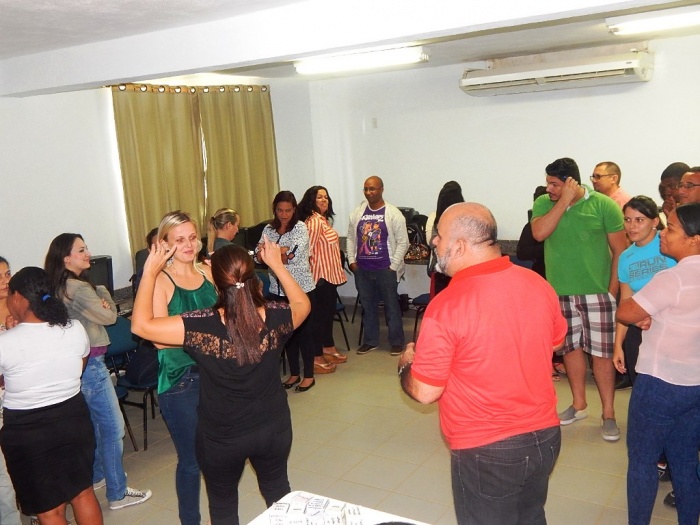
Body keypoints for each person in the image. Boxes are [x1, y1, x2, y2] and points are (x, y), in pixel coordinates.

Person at [399, 202, 567, 525]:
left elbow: (425, 391)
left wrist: (406, 363)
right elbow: (556, 342)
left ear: (460, 245)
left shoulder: (447, 305)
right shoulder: (536, 283)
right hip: (545, 437)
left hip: (487, 450)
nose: (434, 242)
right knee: (531, 517)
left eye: (439, 236)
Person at [131, 238, 310, 525]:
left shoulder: (199, 324)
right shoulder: (277, 315)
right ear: (253, 277)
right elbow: (303, 303)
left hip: (222, 438)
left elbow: (141, 325)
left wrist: (150, 272)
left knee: (223, 507)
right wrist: (276, 264)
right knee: (278, 492)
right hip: (273, 429)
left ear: (214, 280)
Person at [44, 234, 152, 511]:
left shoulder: (59, 285)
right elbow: (110, 317)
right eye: (81, 250)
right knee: (113, 428)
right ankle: (118, 493)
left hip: (77, 365)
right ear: (66, 258)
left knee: (95, 426)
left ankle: (97, 476)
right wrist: (103, 293)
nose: (88, 254)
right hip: (92, 365)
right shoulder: (79, 288)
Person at [531, 157, 627, 442]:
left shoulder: (604, 205)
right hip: (559, 293)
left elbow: (620, 251)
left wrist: (611, 291)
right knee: (569, 350)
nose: (549, 188)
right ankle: (579, 404)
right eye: (548, 183)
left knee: (602, 355)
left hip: (597, 293)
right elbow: (539, 233)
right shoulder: (544, 204)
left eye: (555, 184)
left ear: (571, 182)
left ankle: (608, 414)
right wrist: (564, 201)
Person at [617, 202, 700, 525]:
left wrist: (647, 313)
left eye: (672, 228)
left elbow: (626, 311)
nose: (664, 233)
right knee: (685, 462)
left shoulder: (673, 278)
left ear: (694, 239)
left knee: (642, 460)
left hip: (660, 383)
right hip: (694, 385)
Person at [0, 267, 103, 525]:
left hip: (28, 432)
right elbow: (78, 368)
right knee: (83, 493)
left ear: (18, 297)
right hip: (74, 419)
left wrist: (9, 334)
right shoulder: (74, 328)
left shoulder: (6, 343)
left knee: (50, 510)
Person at [152, 211, 217, 525]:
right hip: (181, 381)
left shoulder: (208, 272)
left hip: (216, 376)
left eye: (192, 237)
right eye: (179, 240)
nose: (189, 245)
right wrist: (207, 334)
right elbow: (159, 340)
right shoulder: (160, 281)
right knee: (191, 461)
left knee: (218, 455)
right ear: (165, 244)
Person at [255, 191, 327, 389]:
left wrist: (271, 253)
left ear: (294, 209)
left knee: (305, 334)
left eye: (288, 210)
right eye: (280, 210)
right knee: (286, 335)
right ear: (275, 210)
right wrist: (276, 252)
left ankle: (309, 375)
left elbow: (292, 256)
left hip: (301, 289)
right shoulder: (268, 229)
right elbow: (257, 256)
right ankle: (294, 373)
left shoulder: (300, 228)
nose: (284, 214)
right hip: (277, 291)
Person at [612, 197, 676, 390]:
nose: (632, 226)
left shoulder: (670, 244)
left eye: (639, 220)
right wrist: (618, 345)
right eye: (627, 220)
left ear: (654, 221)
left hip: (673, 328)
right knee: (641, 388)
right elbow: (625, 302)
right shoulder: (626, 257)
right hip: (639, 329)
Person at [347, 176, 409, 356]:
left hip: (385, 270)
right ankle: (370, 341)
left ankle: (396, 342)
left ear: (381, 189)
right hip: (363, 269)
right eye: (366, 189)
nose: (369, 192)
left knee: (391, 307)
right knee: (368, 307)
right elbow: (351, 238)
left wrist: (393, 266)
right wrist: (352, 261)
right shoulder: (357, 213)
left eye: (372, 189)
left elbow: (403, 242)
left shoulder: (393, 213)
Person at [298, 186, 348, 367]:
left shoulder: (323, 220)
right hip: (319, 278)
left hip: (329, 276)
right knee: (318, 318)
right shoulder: (314, 221)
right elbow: (307, 250)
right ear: (311, 200)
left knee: (327, 315)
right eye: (319, 197)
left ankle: (328, 347)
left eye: (326, 197)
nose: (324, 200)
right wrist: (313, 278)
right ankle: (316, 355)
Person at [0, 257, 20, 525]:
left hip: (18, 391)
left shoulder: (19, 304)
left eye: (7, 274)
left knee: (22, 456)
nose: (5, 281)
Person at [425, 181, 465, 297]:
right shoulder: (466, 217)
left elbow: (431, 242)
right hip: (461, 268)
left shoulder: (434, 218)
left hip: (441, 269)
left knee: (440, 303)